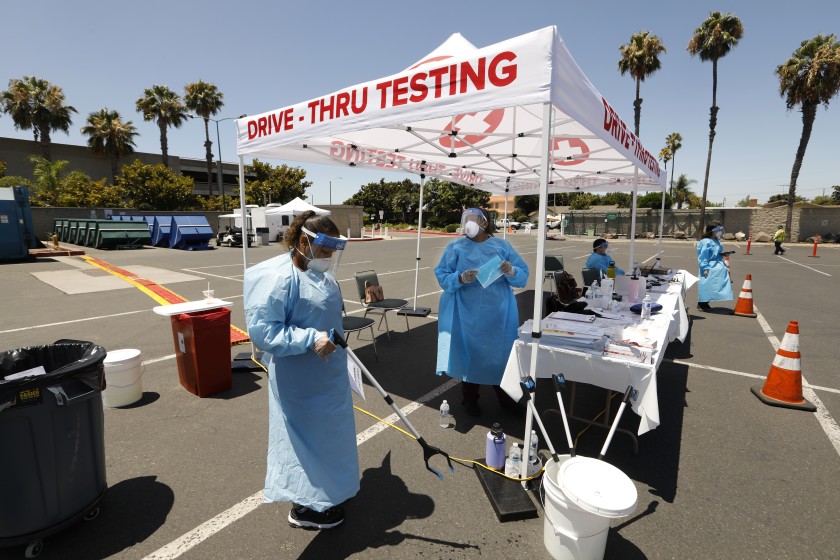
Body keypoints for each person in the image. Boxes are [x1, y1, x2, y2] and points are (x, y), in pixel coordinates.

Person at [244, 210, 355, 530]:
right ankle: (307, 507)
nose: (328, 258)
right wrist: (310, 338)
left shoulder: (317, 272)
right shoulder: (278, 279)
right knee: (305, 443)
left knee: (329, 439)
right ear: (304, 241)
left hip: (327, 374)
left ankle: (327, 493)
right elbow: (265, 332)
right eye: (324, 251)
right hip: (300, 379)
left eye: (333, 252)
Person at [435, 208, 529, 417]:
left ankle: (507, 398)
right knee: (472, 355)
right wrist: (460, 278)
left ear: (485, 223)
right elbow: (442, 275)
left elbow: (522, 276)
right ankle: (470, 399)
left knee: (501, 357)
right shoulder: (455, 247)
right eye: (465, 219)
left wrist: (511, 270)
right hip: (466, 313)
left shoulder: (501, 246)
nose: (468, 223)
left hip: (498, 312)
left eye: (473, 219)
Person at [697, 223, 733, 311]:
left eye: (720, 230)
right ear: (711, 231)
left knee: (714, 285)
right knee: (706, 285)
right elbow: (703, 256)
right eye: (717, 230)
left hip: (717, 266)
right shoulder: (706, 241)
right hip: (709, 266)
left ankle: (705, 302)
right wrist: (704, 268)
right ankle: (702, 304)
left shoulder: (716, 241)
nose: (719, 232)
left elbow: (716, 254)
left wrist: (723, 254)